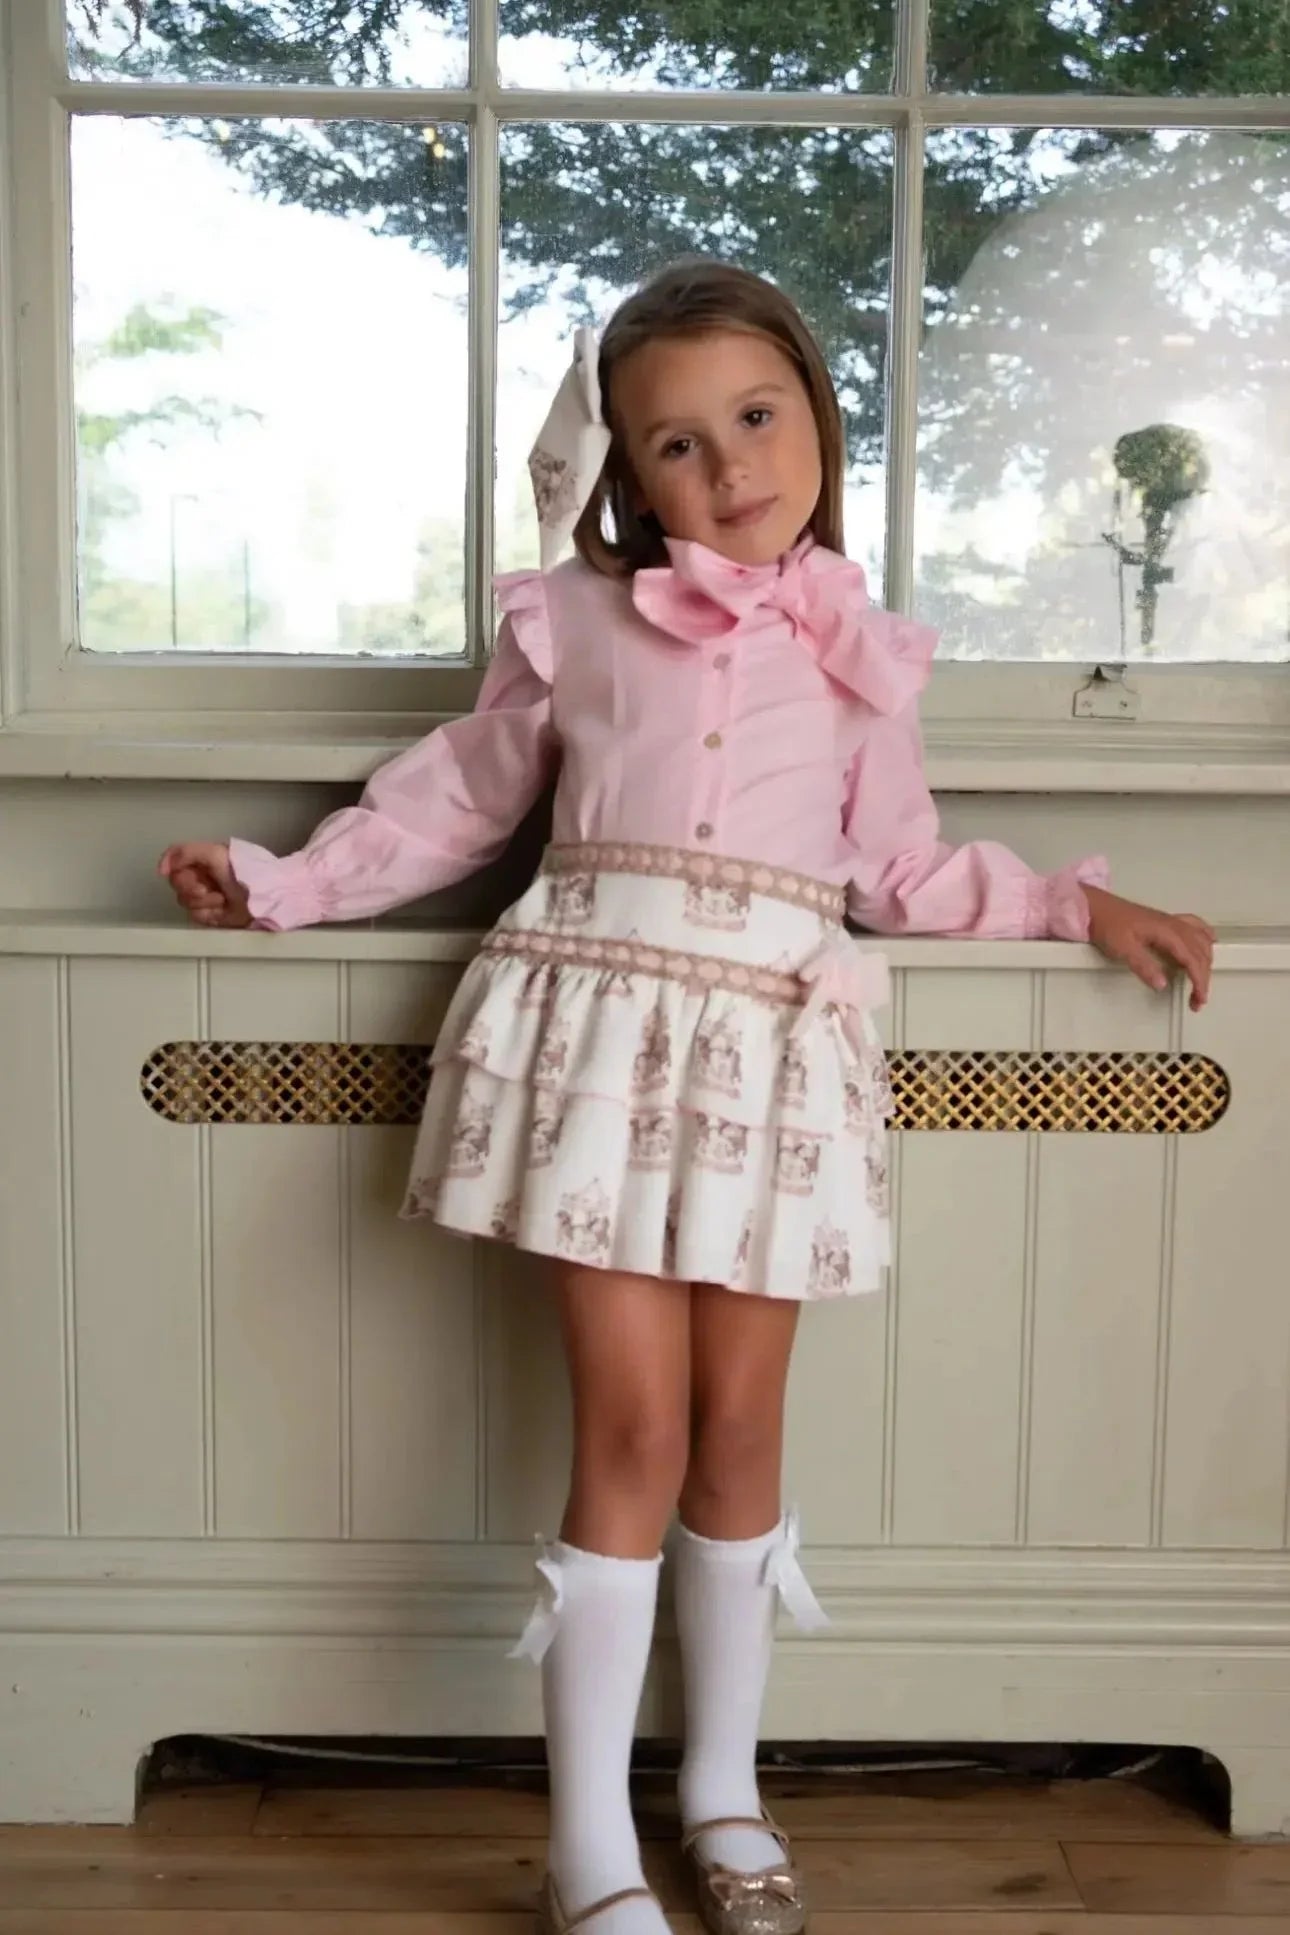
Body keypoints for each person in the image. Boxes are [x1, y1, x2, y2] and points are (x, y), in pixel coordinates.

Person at [159, 260, 1214, 1935]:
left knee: (740, 1429)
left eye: (753, 417)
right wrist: (282, 884)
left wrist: (1078, 904)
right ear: (623, 480)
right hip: (595, 1041)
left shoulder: (858, 651)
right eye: (674, 443)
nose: (728, 467)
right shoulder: (571, 623)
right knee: (632, 1430)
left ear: (814, 415)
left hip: (773, 1062)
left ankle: (721, 1792)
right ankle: (588, 1838)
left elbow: (899, 866)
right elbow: (451, 803)